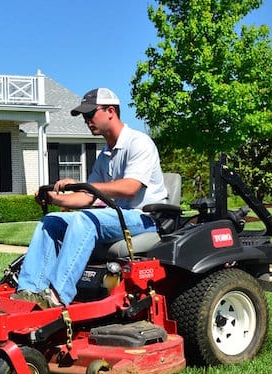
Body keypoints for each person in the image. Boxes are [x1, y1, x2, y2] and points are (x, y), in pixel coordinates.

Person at [13, 88, 167, 308]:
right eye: (84, 116)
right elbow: (88, 197)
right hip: (117, 216)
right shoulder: (105, 155)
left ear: (111, 111)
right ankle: (29, 291)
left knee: (85, 220)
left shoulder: (139, 143)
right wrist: (55, 199)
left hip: (144, 218)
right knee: (51, 221)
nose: (86, 121)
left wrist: (87, 186)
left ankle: (57, 296)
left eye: (90, 114)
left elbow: (131, 187)